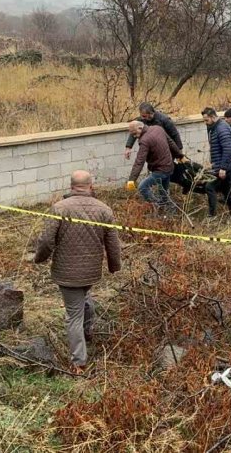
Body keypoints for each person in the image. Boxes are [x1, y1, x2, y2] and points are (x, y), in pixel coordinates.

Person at [34, 170, 122, 374]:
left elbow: (46, 240)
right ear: (91, 186)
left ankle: (79, 361)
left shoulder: (59, 208)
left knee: (73, 315)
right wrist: (114, 265)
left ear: (71, 186)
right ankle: (88, 330)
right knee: (84, 298)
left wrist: (39, 258)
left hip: (67, 272)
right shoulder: (104, 210)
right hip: (91, 271)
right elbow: (113, 243)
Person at [126, 121, 183, 212]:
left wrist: (132, 180)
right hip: (169, 166)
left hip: (160, 170)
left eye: (135, 134)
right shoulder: (158, 128)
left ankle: (157, 206)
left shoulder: (145, 140)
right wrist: (180, 156)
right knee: (163, 193)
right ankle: (171, 211)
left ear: (140, 128)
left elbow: (139, 161)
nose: (134, 136)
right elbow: (171, 143)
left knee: (143, 187)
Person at [201, 107, 231, 214]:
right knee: (226, 187)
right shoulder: (213, 127)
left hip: (227, 165)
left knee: (209, 187)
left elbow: (227, 149)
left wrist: (223, 168)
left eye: (206, 120)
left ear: (213, 117)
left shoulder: (221, 129)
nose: (205, 123)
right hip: (224, 163)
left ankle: (212, 215)